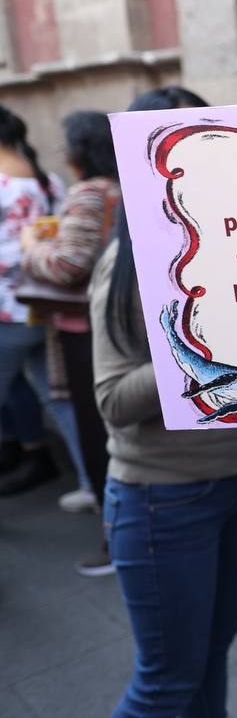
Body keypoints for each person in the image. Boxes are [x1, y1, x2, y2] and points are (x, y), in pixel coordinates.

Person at [93, 86, 237, 716]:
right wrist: (193, 336)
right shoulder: (122, 268)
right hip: (162, 499)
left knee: (212, 653)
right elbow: (112, 402)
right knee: (165, 684)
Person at [19, 111, 121, 575]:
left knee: (99, 434)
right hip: (116, 327)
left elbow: (68, 265)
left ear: (81, 152)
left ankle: (114, 538)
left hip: (85, 333)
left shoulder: (90, 193)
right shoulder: (125, 188)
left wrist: (31, 247)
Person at [0, 103, 81, 499]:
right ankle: (95, 485)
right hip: (42, 305)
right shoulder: (48, 181)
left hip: (5, 312)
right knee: (61, 400)